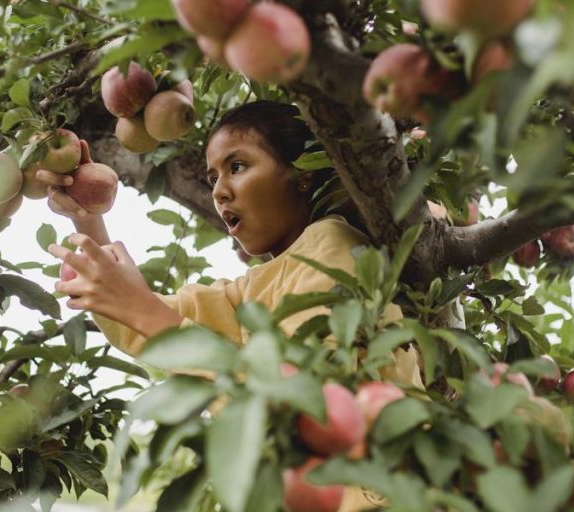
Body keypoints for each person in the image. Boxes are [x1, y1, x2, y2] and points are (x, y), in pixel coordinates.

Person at [41, 100, 422, 511]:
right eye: (212, 177)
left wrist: (142, 310)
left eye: (237, 166)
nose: (219, 190)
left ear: (303, 174)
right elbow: (139, 321)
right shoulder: (253, 288)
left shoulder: (333, 243)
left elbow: (310, 402)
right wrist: (88, 214)